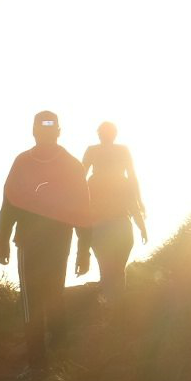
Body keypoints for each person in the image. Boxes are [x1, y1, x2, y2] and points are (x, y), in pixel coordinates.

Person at [0, 111, 92, 378]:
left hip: (48, 240)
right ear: (35, 132)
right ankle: (44, 363)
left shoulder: (69, 165)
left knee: (45, 298)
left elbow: (83, 208)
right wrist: (1, 237)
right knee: (41, 298)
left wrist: (84, 249)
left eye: (51, 128)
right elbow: (9, 201)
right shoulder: (27, 162)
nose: (47, 132)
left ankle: (49, 363)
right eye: (43, 127)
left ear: (58, 131)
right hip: (35, 240)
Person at [78, 121, 147, 300]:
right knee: (115, 270)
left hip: (107, 223)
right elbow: (132, 179)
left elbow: (78, 178)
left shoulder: (95, 170)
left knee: (110, 269)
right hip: (113, 223)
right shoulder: (116, 170)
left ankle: (113, 307)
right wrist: (140, 213)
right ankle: (115, 309)